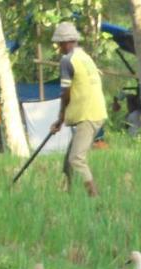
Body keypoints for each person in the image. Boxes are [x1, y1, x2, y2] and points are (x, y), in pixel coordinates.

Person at [50, 22, 107, 197]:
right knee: (68, 162)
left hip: (88, 115)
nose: (59, 48)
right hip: (95, 112)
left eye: (59, 44)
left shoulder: (67, 60)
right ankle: (69, 196)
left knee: (76, 159)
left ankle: (94, 197)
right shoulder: (85, 57)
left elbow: (65, 93)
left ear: (66, 42)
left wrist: (60, 119)